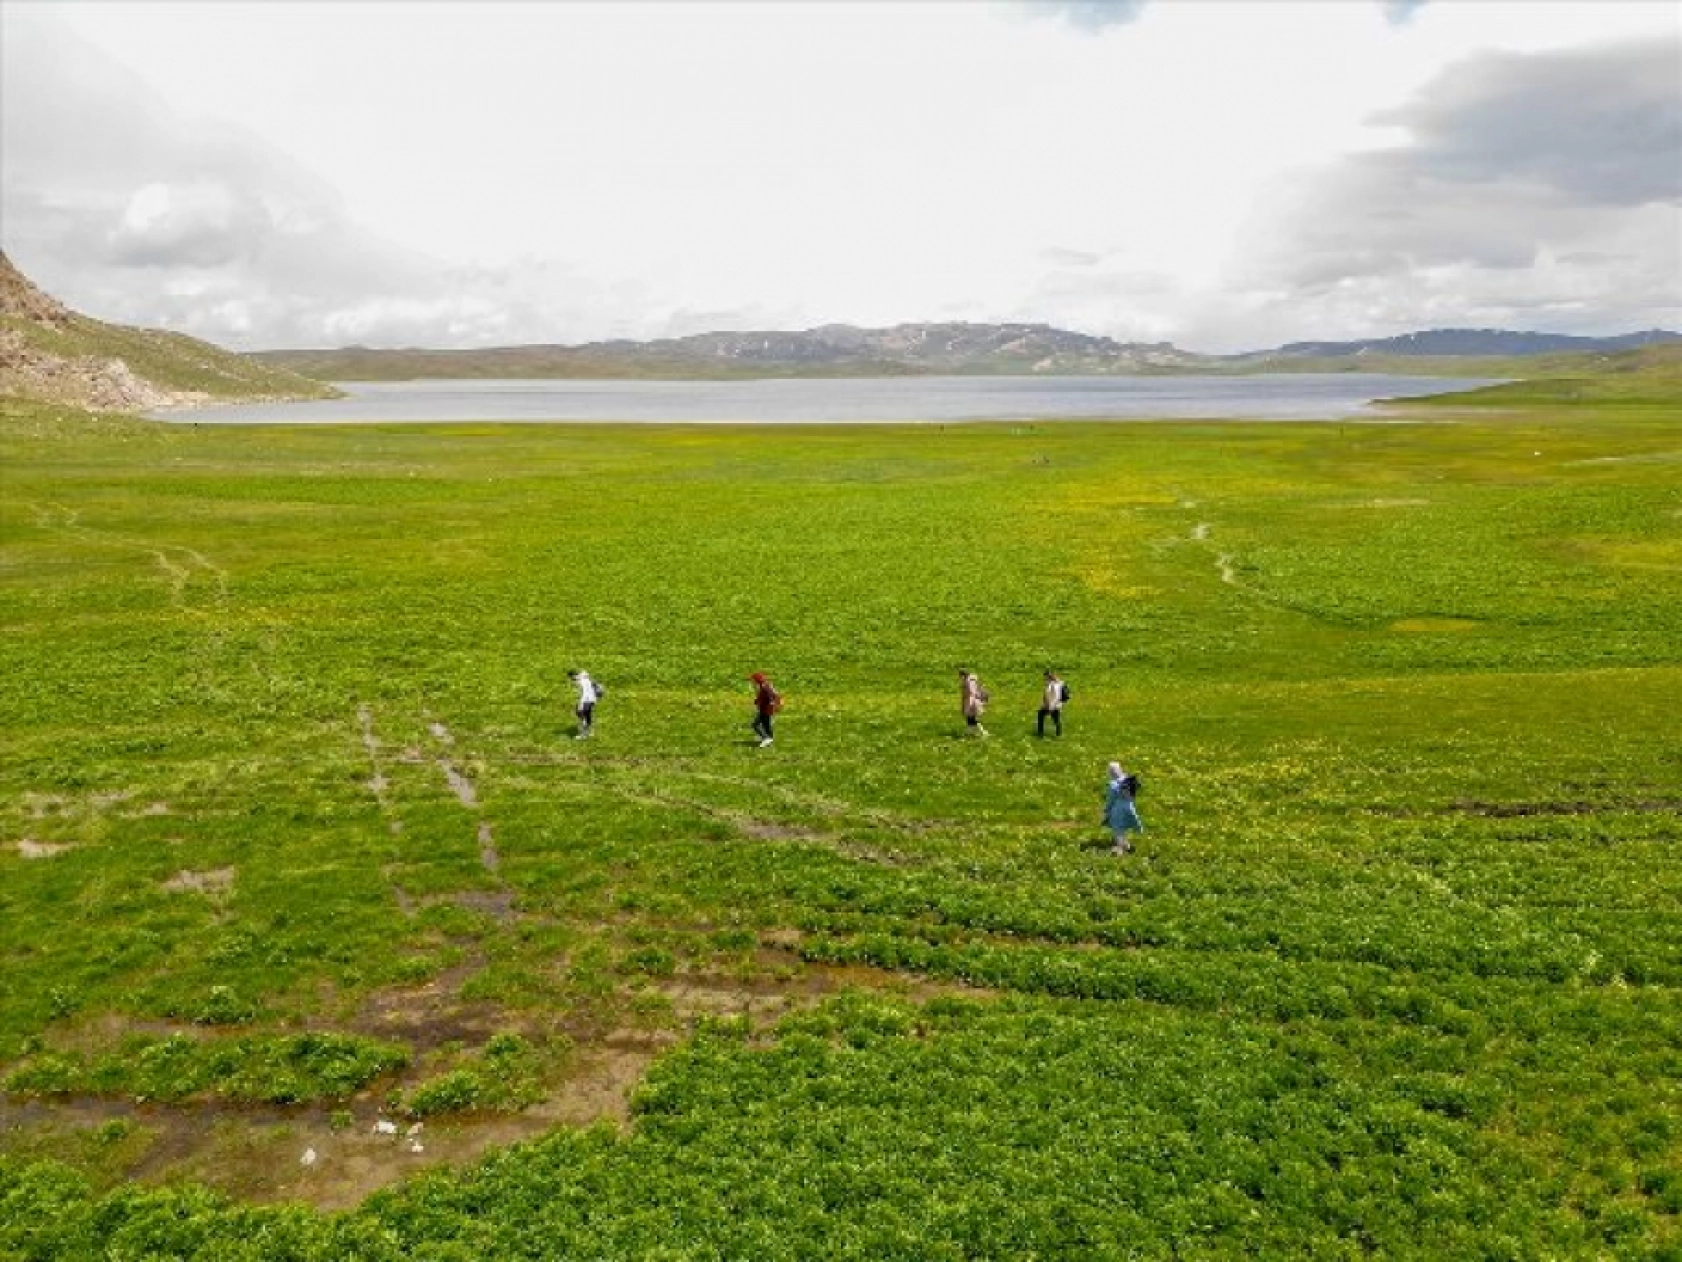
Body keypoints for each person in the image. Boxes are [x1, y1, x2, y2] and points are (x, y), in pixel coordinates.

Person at [1104, 762, 1143, 854]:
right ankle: (1126, 845)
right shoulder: (1128, 779)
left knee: (1117, 829)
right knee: (1124, 827)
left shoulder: (1113, 784)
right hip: (1129, 806)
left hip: (1118, 809)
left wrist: (1107, 808)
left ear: (1110, 773)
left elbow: (1111, 799)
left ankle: (1121, 849)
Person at [750, 672, 781, 747]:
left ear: (757, 680)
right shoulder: (763, 686)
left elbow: (771, 699)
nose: (751, 682)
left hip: (766, 710)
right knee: (764, 725)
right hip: (764, 709)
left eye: (752, 680)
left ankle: (767, 738)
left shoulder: (765, 687)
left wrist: (771, 709)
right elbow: (761, 697)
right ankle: (767, 737)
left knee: (756, 725)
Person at [567, 669, 600, 739]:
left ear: (573, 676)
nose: (571, 679)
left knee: (581, 716)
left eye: (571, 678)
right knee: (588, 715)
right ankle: (590, 732)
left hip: (585, 700)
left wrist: (581, 704)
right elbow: (593, 686)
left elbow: (584, 693)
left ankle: (583, 734)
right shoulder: (586, 678)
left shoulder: (580, 682)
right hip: (592, 699)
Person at [959, 669, 989, 737]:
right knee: (969, 719)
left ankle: (983, 732)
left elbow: (972, 693)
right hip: (969, 702)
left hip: (972, 703)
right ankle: (970, 732)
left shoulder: (970, 681)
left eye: (961, 675)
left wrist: (969, 705)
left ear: (963, 675)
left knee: (971, 718)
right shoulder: (967, 681)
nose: (960, 677)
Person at [1038, 670, 1067, 738]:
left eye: (1045, 677)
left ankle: (1040, 734)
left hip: (1052, 705)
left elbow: (1054, 696)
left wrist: (1050, 706)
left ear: (1048, 677)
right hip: (1056, 705)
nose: (1044, 679)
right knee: (1055, 719)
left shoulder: (1052, 685)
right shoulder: (1060, 682)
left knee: (1042, 715)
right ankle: (1058, 734)